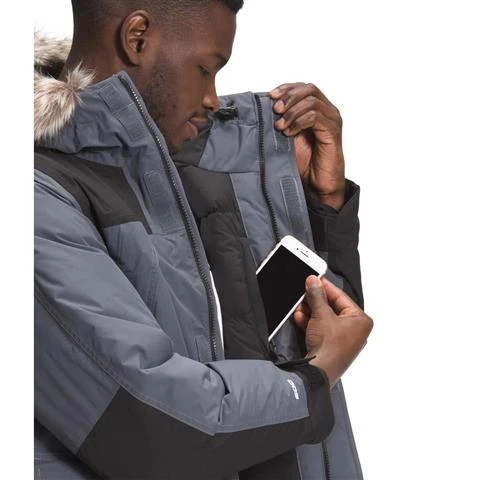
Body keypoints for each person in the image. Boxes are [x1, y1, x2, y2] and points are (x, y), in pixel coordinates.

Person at [34, 1, 373, 479]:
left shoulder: (188, 169)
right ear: (137, 38)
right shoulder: (35, 199)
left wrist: (322, 205)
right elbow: (158, 430)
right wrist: (317, 375)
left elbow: (301, 335)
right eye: (206, 69)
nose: (213, 98)